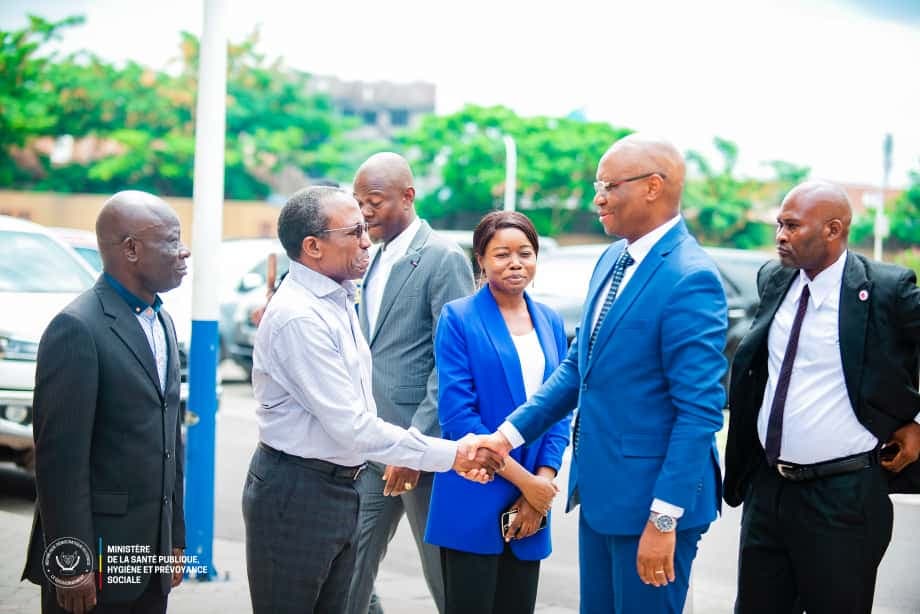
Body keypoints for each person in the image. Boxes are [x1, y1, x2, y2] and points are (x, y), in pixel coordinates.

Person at [472, 134, 728, 613]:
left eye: (609, 185)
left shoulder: (691, 277)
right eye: (597, 185)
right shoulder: (613, 258)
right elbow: (577, 371)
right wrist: (505, 436)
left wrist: (665, 520)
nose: (598, 198)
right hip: (602, 495)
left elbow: (699, 413)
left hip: (653, 506)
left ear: (653, 187)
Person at [241, 186, 501, 614]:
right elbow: (352, 425)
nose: (367, 240)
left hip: (342, 483)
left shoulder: (336, 295)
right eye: (355, 231)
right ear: (313, 247)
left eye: (366, 228)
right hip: (299, 494)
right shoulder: (300, 317)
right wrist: (454, 454)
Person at [722, 180, 920, 614]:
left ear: (833, 230)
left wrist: (917, 425)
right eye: (779, 224)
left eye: (792, 226)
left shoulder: (886, 289)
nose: (780, 236)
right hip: (769, 489)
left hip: (842, 496)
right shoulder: (774, 277)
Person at [22, 191, 190, 614]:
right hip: (95, 559)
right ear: (131, 249)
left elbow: (171, 439)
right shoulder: (77, 328)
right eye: (171, 241)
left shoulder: (162, 321)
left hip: (149, 557)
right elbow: (60, 462)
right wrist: (69, 561)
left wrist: (174, 541)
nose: (184, 252)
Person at [424, 211, 572, 614]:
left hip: (531, 504)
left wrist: (542, 483)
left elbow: (559, 410)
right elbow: (458, 416)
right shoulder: (459, 318)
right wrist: (527, 484)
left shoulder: (550, 320)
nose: (515, 263)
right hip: (475, 487)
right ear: (481, 260)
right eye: (502, 254)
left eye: (525, 253)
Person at [346, 153, 474, 614]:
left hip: (421, 448)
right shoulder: (373, 258)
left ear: (408, 196)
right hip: (372, 446)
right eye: (359, 202)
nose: (364, 213)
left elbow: (452, 362)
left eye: (374, 201)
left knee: (444, 578)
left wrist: (416, 445)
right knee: (348, 567)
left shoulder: (441, 258)